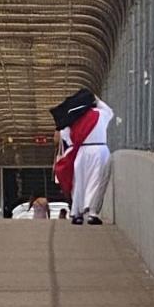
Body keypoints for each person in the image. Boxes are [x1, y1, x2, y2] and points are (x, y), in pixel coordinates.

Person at [55, 96, 114, 225]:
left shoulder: (73, 118)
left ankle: (77, 213)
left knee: (79, 182)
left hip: (80, 151)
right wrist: (97, 100)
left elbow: (64, 135)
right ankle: (92, 212)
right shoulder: (101, 114)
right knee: (97, 181)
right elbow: (110, 112)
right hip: (99, 149)